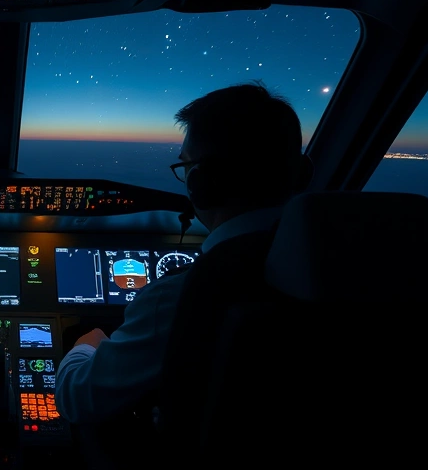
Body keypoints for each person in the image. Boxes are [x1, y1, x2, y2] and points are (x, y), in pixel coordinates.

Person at [55, 82, 312, 425]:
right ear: (299, 173)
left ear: (203, 182)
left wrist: (86, 345)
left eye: (188, 166)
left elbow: (77, 398)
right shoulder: (346, 266)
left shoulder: (182, 295)